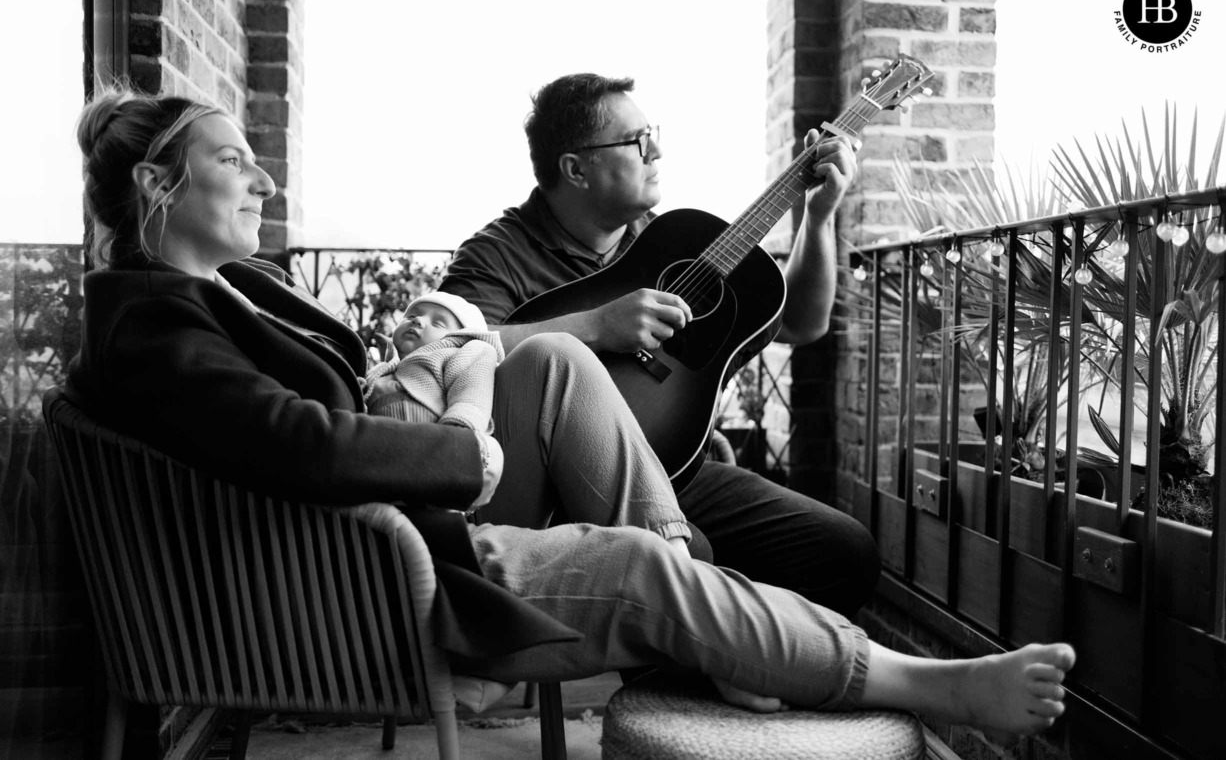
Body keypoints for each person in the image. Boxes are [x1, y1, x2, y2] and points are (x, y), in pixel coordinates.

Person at [67, 86, 1076, 734]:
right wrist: (463, 435)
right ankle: (919, 682)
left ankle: (724, 624)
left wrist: (817, 210)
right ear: (160, 183)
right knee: (636, 558)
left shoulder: (204, 298)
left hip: (371, 540)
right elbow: (300, 440)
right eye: (236, 159)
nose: (263, 176)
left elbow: (797, 319)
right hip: (360, 575)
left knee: (556, 369)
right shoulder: (157, 322)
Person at [438, 72, 878, 614]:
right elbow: (447, 347)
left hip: (674, 466)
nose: (658, 151)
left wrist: (817, 216)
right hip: (557, 487)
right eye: (637, 141)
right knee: (691, 556)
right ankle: (691, 678)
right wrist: (597, 324)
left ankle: (753, 673)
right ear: (576, 169)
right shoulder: (498, 254)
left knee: (844, 552)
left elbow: (802, 323)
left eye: (654, 133)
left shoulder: (669, 241)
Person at [362, 291, 503, 435]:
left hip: (435, 443)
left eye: (438, 323)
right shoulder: (382, 370)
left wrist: (461, 434)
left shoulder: (468, 351)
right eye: (410, 316)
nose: (417, 320)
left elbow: (472, 397)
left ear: (461, 337)